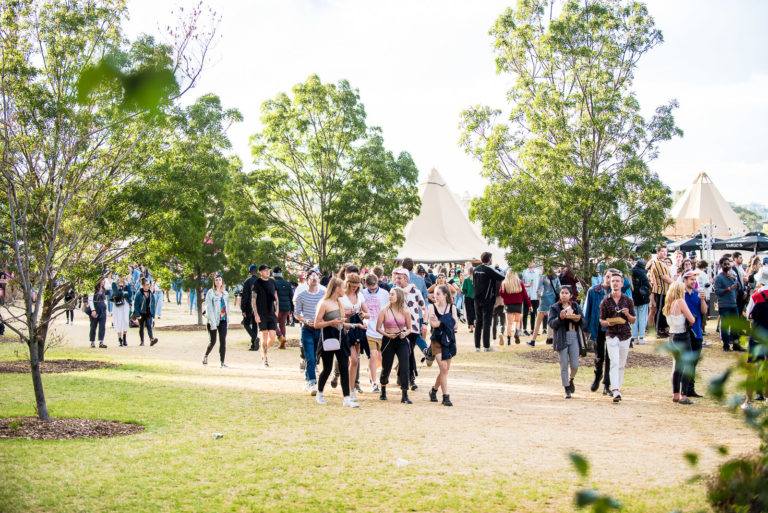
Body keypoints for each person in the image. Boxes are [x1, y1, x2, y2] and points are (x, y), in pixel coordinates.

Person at [314, 278, 359, 408]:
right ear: (337, 288)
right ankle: (320, 393)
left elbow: (341, 323)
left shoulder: (339, 303)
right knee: (327, 368)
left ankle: (346, 398)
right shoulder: (324, 303)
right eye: (343, 287)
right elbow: (317, 324)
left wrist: (354, 324)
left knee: (344, 367)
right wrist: (332, 322)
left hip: (341, 338)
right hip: (328, 339)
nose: (345, 290)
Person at [599, 272, 636, 403]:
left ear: (621, 284)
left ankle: (618, 388)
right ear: (610, 283)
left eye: (617, 281)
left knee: (621, 363)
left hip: (625, 334)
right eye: (613, 281)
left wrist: (627, 314)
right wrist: (609, 323)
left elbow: (633, 320)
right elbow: (601, 320)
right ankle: (615, 390)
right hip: (612, 334)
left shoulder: (628, 301)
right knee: (614, 361)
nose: (615, 283)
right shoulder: (605, 301)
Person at [375, 286, 414, 404]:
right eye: (390, 294)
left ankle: (405, 394)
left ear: (399, 297)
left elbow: (409, 329)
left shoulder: (405, 311)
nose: (390, 296)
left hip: (401, 340)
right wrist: (387, 335)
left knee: (404, 366)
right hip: (388, 340)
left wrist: (405, 333)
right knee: (386, 366)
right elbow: (378, 328)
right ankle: (383, 389)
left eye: (393, 294)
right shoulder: (384, 310)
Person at [393, 267, 428, 390]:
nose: (397, 280)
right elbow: (402, 293)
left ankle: (402, 375)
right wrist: (411, 285)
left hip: (413, 327)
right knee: (408, 352)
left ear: (406, 279)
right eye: (396, 278)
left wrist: (425, 323)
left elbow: (424, 308)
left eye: (400, 278)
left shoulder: (416, 292)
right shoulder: (395, 291)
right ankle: (410, 378)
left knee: (408, 352)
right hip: (400, 328)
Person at [548, 285, 585, 399]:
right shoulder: (555, 307)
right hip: (561, 337)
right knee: (563, 364)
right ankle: (566, 388)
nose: (564, 295)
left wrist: (578, 319)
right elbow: (551, 323)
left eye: (566, 293)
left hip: (574, 336)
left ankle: (571, 379)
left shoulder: (575, 306)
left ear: (571, 295)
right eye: (562, 293)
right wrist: (560, 318)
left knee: (575, 365)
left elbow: (583, 321)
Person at [663, 281, 697, 404]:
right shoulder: (680, 302)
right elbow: (691, 319)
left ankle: (675, 394)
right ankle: (684, 395)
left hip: (672, 336)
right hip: (682, 336)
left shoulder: (668, 304)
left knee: (677, 366)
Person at [293, 269, 326, 395]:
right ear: (307, 280)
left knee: (315, 358)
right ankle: (312, 383)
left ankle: (307, 380)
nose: (314, 278)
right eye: (311, 276)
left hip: (320, 329)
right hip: (307, 329)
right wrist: (304, 320)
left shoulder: (323, 294)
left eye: (316, 276)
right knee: (310, 357)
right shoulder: (301, 295)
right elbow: (296, 314)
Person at [339, 272, 370, 401]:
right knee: (351, 360)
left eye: (356, 286)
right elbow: (336, 313)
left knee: (355, 360)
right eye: (352, 285)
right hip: (345, 329)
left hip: (356, 330)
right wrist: (346, 313)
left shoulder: (360, 295)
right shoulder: (341, 296)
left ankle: (351, 388)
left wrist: (362, 314)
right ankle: (348, 388)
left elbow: (368, 313)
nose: (354, 288)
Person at [428, 284, 458, 406]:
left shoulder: (452, 307)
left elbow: (456, 325)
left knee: (445, 370)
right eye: (434, 293)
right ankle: (446, 397)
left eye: (438, 294)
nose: (435, 296)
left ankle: (434, 390)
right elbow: (433, 324)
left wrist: (440, 320)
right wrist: (448, 320)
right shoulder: (431, 307)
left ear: (445, 295)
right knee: (443, 367)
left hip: (449, 340)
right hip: (436, 340)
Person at [472, 252, 506, 352]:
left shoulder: (476, 270)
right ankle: (486, 346)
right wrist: (498, 268)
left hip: (477, 298)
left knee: (478, 322)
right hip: (487, 299)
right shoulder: (488, 269)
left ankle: (477, 346)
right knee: (487, 322)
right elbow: (501, 276)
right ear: (490, 259)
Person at [362, 273, 389, 392]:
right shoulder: (362, 293)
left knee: (381, 358)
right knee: (373, 355)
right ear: (366, 285)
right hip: (369, 330)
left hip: (382, 330)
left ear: (377, 283)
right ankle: (374, 382)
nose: (372, 291)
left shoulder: (384, 294)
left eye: (374, 288)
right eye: (370, 289)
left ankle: (371, 371)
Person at [683, 270, 707, 398]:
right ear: (685, 280)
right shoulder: (681, 295)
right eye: (691, 279)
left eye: (694, 279)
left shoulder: (697, 294)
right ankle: (684, 389)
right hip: (685, 332)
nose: (693, 281)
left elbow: (704, 311)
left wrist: (702, 300)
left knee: (693, 362)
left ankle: (691, 388)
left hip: (697, 332)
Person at [714, 255, 744, 352]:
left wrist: (735, 280)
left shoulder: (732, 276)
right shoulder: (719, 278)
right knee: (725, 326)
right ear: (721, 265)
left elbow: (739, 287)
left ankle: (736, 345)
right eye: (725, 264)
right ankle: (726, 345)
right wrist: (728, 289)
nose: (727, 265)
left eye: (728, 264)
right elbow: (717, 291)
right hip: (724, 305)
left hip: (733, 304)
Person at [498, 269, 532, 345]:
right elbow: (525, 295)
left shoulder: (504, 283)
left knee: (509, 323)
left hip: (508, 305)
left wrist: (506, 297)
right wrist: (530, 305)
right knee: (517, 321)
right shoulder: (520, 283)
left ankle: (508, 340)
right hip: (518, 304)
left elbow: (501, 293)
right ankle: (516, 332)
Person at [254, 264, 278, 366]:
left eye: (268, 270)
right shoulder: (257, 283)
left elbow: (276, 297)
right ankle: (265, 359)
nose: (267, 271)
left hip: (271, 313)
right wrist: (256, 314)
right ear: (260, 272)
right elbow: (253, 299)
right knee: (264, 336)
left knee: (272, 337)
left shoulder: (272, 282)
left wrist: (277, 310)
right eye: (265, 270)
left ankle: (263, 350)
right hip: (261, 313)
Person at [203, 274, 230, 368]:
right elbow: (209, 308)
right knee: (213, 341)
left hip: (223, 320)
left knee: (223, 341)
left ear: (222, 282)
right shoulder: (211, 293)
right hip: (213, 320)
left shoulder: (225, 294)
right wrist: (212, 322)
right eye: (216, 280)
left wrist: (228, 320)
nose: (218, 281)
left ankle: (222, 362)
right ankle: (205, 356)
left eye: (220, 280)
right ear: (214, 282)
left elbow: (227, 308)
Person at [528, 270, 560, 346]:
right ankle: (552, 339)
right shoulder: (556, 277)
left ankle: (533, 340)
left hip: (544, 299)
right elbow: (559, 289)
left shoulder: (543, 277)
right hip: (553, 299)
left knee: (538, 322)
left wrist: (539, 297)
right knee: (552, 320)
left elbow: (539, 289)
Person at [648, 246, 674, 338]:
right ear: (658, 252)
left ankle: (662, 329)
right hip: (660, 290)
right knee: (659, 310)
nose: (664, 253)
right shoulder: (657, 262)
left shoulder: (662, 262)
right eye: (662, 251)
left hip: (665, 290)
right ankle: (659, 330)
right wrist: (675, 284)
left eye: (665, 251)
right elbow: (664, 277)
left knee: (663, 310)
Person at [630, 257, 651, 345]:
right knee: (642, 318)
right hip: (642, 298)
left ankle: (635, 338)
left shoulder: (630, 272)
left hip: (632, 298)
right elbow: (647, 285)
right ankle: (641, 337)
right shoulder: (643, 273)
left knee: (634, 319)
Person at [133, 278, 158, 346]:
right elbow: (136, 305)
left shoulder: (150, 293)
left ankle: (151, 339)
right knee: (141, 327)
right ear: (143, 285)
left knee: (149, 326)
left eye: (148, 284)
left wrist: (153, 313)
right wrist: (137, 314)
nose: (148, 286)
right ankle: (142, 341)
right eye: (147, 285)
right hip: (141, 313)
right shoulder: (139, 294)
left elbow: (153, 304)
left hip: (148, 313)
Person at [241, 265, 261, 352]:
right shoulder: (260, 281)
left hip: (249, 306)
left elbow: (245, 296)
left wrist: (243, 309)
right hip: (258, 306)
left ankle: (254, 338)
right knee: (255, 325)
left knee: (246, 324)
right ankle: (254, 344)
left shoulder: (247, 281)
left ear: (250, 272)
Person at [273, 266, 293, 350]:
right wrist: (292, 308)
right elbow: (291, 297)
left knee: (273, 323)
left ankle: (280, 337)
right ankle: (283, 344)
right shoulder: (288, 284)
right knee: (282, 324)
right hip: (286, 307)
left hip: (277, 307)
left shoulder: (273, 283)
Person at [111, 277, 133, 346]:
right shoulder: (114, 283)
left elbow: (130, 293)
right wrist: (124, 293)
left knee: (126, 320)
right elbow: (116, 293)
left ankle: (124, 337)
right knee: (118, 320)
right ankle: (119, 338)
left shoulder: (127, 284)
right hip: (118, 304)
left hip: (125, 304)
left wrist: (122, 293)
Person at [521, 262, 541, 336]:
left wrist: (539, 294)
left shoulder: (538, 272)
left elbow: (540, 284)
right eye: (529, 262)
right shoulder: (524, 272)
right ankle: (524, 330)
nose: (530, 263)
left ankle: (533, 330)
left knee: (534, 313)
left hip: (535, 296)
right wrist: (527, 285)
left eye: (531, 261)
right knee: (525, 313)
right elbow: (521, 284)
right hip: (527, 295)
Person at [88, 279, 108, 348]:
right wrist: (93, 310)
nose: (103, 282)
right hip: (95, 307)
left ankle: (101, 341)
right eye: (102, 280)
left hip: (102, 308)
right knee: (93, 326)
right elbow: (90, 300)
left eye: (103, 280)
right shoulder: (93, 289)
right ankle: (92, 342)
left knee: (102, 326)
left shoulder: (103, 289)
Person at [461, 266, 475, 333]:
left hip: (468, 297)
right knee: (476, 312)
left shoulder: (466, 280)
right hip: (476, 297)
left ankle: (471, 327)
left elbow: (463, 289)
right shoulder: (477, 279)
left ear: (469, 272)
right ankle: (476, 325)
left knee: (469, 312)